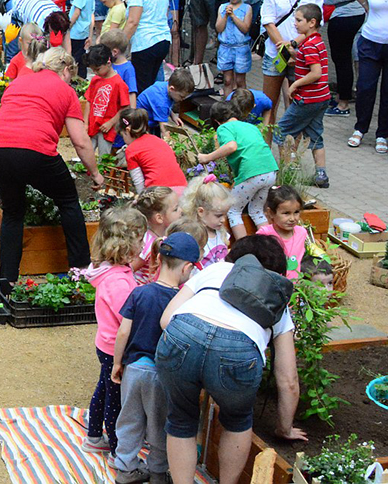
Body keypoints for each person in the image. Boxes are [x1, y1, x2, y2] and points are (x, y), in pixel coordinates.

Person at [156, 235, 306, 484]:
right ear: (275, 272)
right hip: (238, 350)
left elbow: (165, 320)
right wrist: (285, 428)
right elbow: (288, 378)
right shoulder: (275, 296)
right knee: (237, 421)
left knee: (181, 418)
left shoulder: (216, 269)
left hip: (182, 332)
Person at [0, 49, 103, 290]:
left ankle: (6, 280)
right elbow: (80, 141)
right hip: (35, 148)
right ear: (66, 69)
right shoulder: (65, 91)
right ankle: (80, 271)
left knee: (13, 211)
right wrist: (95, 174)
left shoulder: (19, 81)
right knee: (68, 199)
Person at [109, 233, 200, 484]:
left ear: (159, 258)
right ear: (188, 268)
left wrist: (118, 363)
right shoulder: (182, 302)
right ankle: (158, 471)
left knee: (129, 419)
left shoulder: (139, 293)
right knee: (160, 424)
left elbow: (123, 331)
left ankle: (125, 468)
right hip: (161, 374)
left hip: (134, 369)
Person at [81, 206, 146, 456]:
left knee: (105, 388)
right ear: (126, 243)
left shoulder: (109, 269)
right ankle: (118, 451)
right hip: (115, 348)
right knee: (116, 399)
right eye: (140, 239)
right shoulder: (117, 281)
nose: (143, 244)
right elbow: (127, 319)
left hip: (105, 344)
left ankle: (94, 436)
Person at [274, 4, 330, 187]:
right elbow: (309, 61)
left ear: (312, 22)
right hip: (322, 98)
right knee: (315, 135)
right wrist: (295, 56)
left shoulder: (309, 46)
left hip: (307, 99)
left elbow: (316, 73)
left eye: (299, 20)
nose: (295, 24)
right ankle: (321, 175)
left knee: (280, 132)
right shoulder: (317, 42)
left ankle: (288, 169)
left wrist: (295, 84)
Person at [319, 0, 365, 115]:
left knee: (342, 59)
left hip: (346, 15)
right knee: (341, 58)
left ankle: (343, 103)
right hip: (344, 14)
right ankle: (341, 97)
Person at [350, 0, 388, 151]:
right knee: (365, 87)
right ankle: (360, 128)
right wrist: (366, 6)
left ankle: (382, 134)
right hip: (371, 41)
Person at [121, 0, 171, 93]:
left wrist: (120, 44)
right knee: (154, 84)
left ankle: (142, 114)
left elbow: (133, 21)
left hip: (145, 42)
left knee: (141, 88)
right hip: (163, 40)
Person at [118, 108, 186, 194]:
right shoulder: (158, 140)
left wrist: (140, 200)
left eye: (123, 136)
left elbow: (139, 183)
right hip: (182, 189)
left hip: (160, 193)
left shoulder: (131, 150)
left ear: (127, 131)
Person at [84, 45, 130, 156]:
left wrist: (111, 122)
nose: (95, 72)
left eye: (97, 69)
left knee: (103, 157)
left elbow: (125, 107)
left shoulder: (119, 83)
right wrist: (85, 123)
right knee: (86, 154)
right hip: (92, 125)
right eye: (93, 70)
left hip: (107, 129)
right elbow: (89, 101)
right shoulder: (95, 80)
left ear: (108, 63)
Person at [178, 174, 232, 266]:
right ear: (201, 212)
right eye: (218, 215)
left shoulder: (220, 233)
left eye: (225, 215)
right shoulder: (193, 238)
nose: (223, 220)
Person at [216, 0, 253, 95]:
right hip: (225, 48)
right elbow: (219, 28)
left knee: (240, 80)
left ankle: (242, 105)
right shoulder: (223, 8)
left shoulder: (247, 8)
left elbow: (245, 28)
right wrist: (225, 16)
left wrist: (233, 16)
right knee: (227, 80)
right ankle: (227, 105)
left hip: (240, 48)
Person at [136, 68, 193, 137]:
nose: (183, 99)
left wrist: (173, 115)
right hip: (143, 124)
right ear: (172, 89)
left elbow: (167, 105)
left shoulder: (165, 86)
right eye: (181, 96)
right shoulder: (161, 102)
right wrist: (169, 143)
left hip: (153, 116)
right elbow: (164, 128)